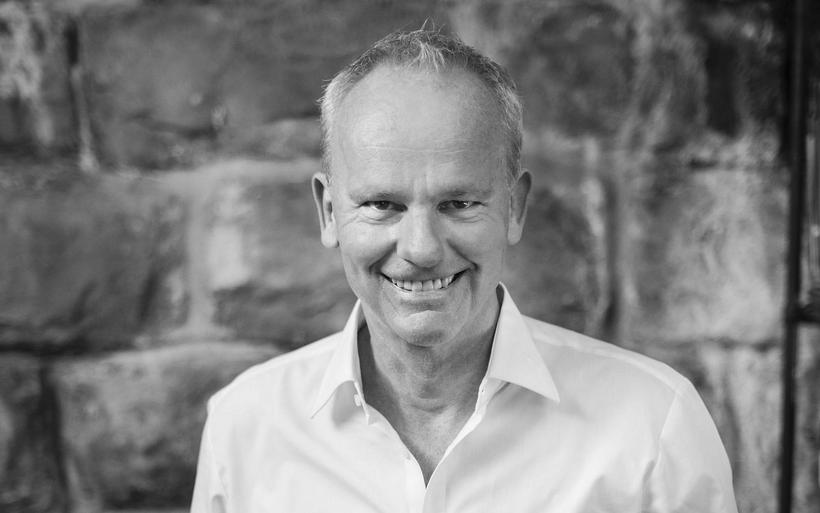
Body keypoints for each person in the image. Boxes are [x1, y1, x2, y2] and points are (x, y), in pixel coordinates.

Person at [190, 29, 738, 513]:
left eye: (458, 203)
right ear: (329, 212)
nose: (422, 249)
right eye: (382, 204)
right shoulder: (245, 428)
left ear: (515, 208)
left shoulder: (652, 427)